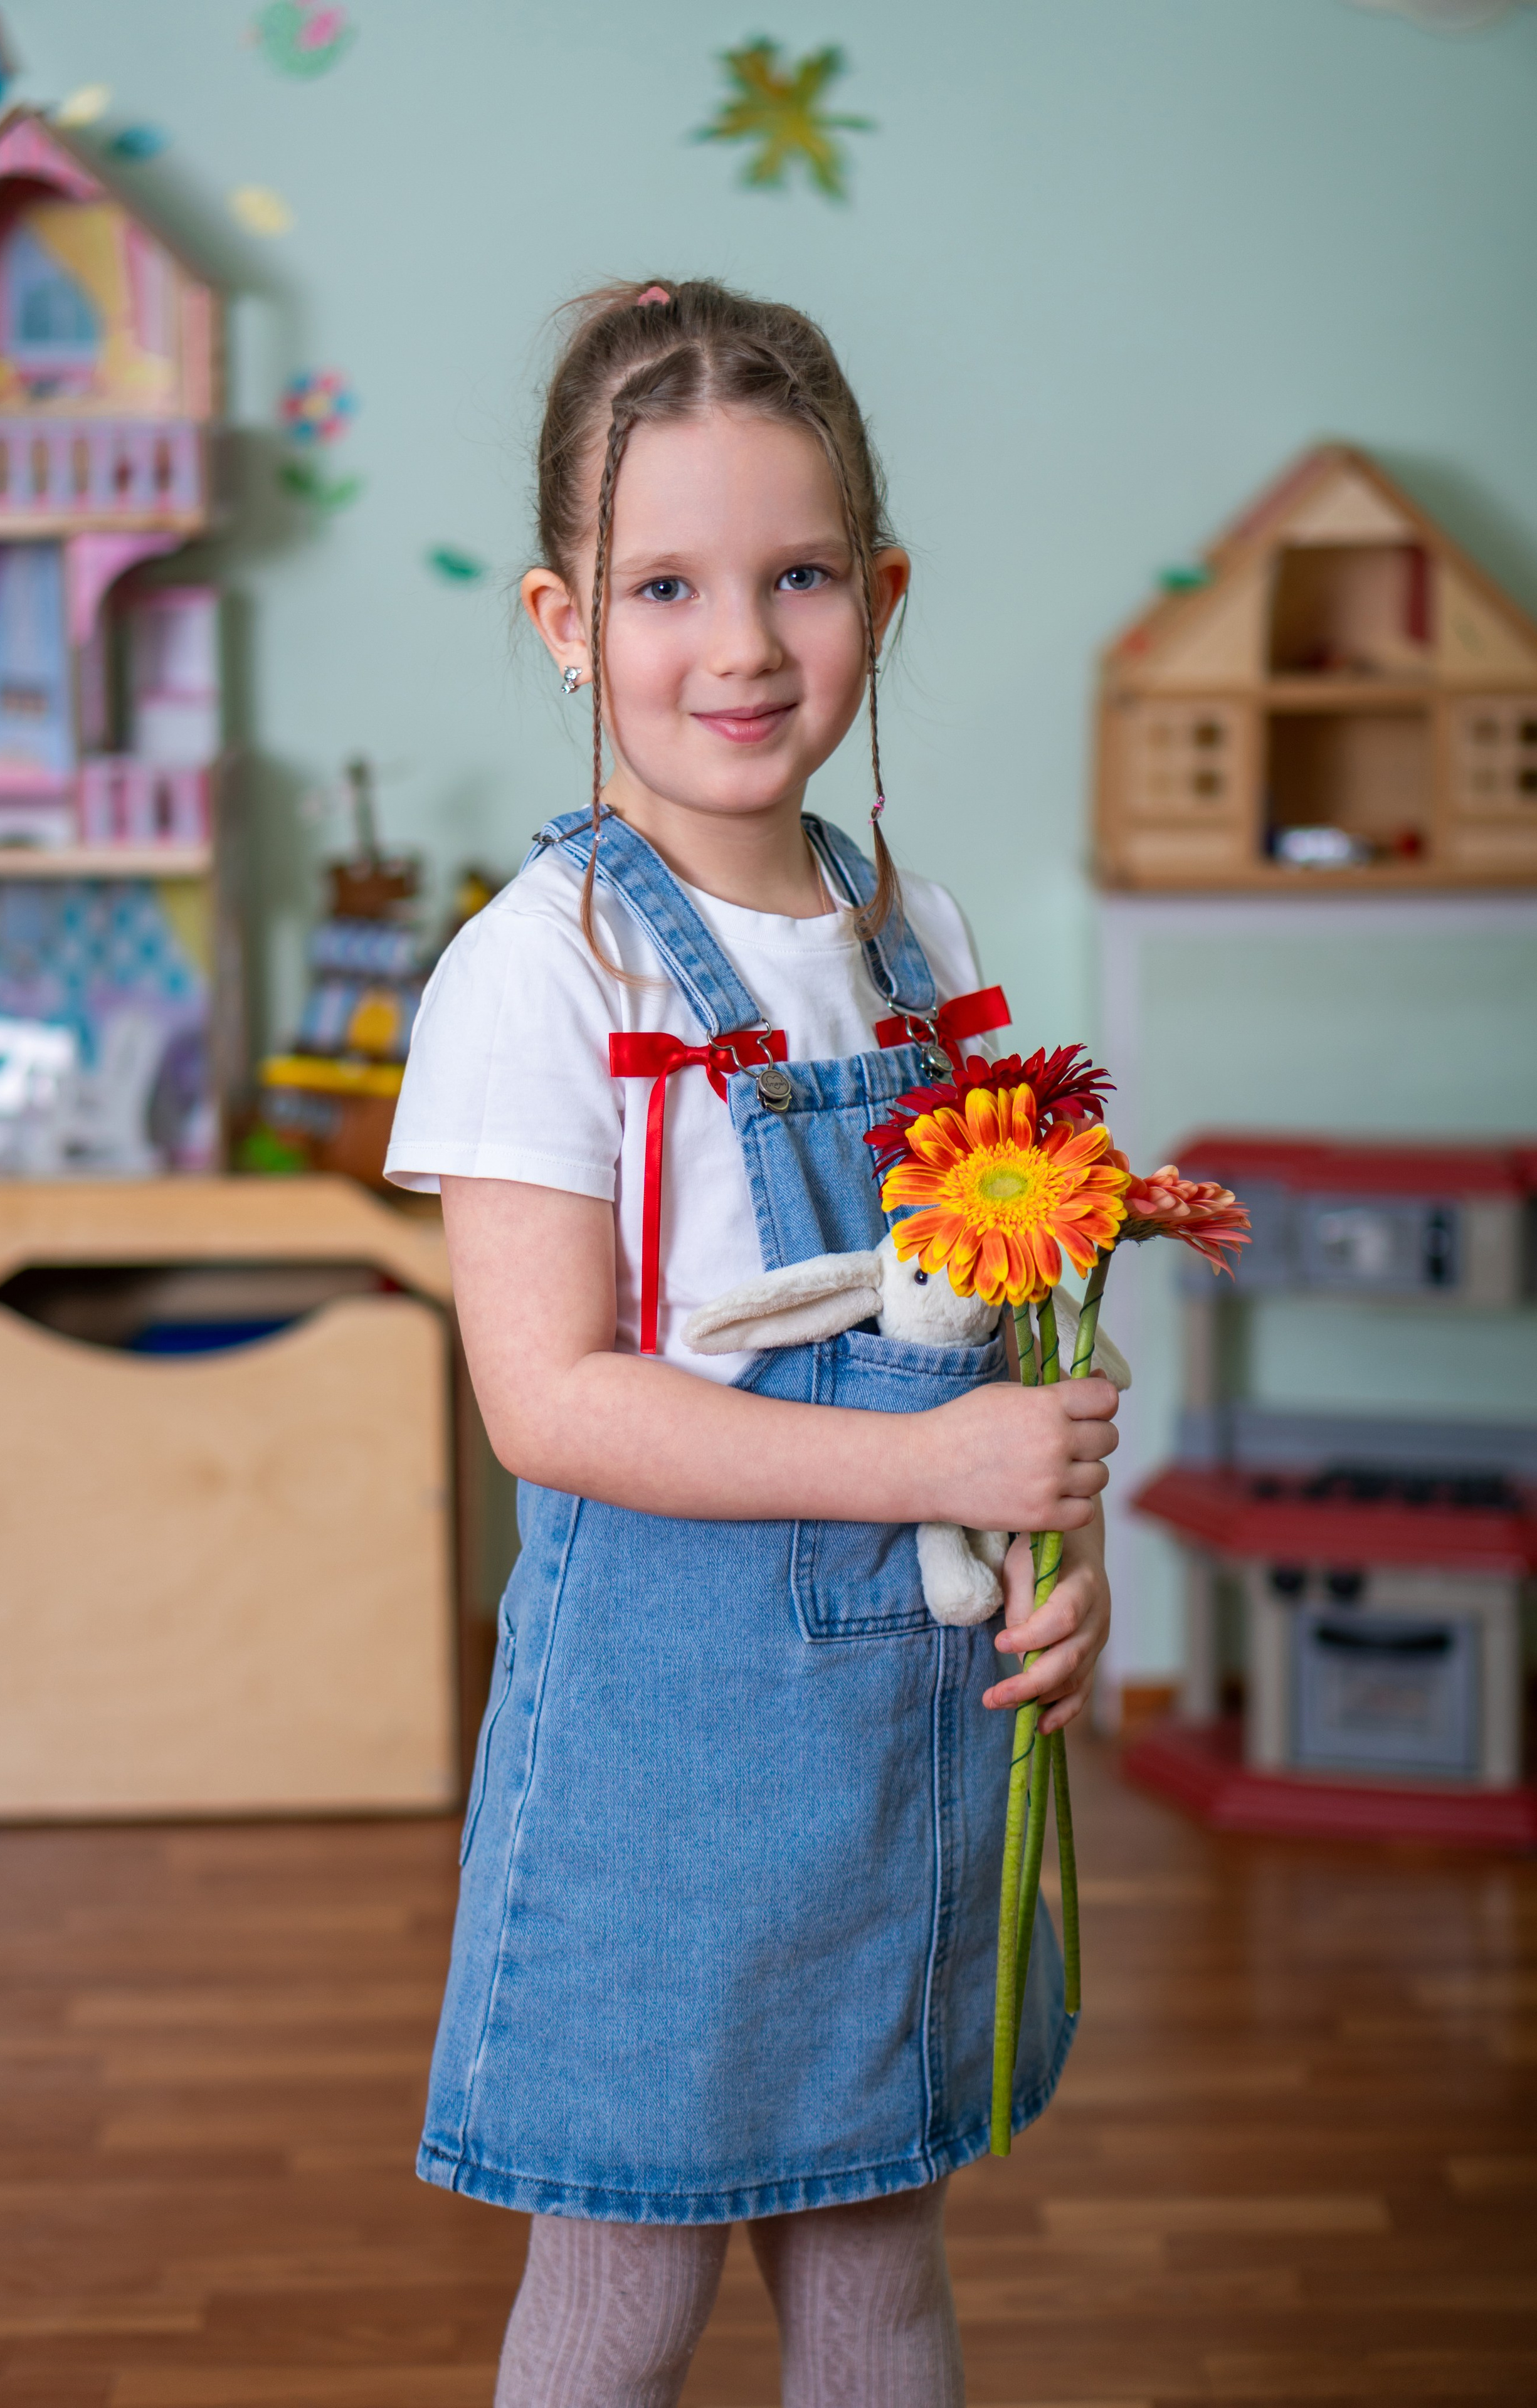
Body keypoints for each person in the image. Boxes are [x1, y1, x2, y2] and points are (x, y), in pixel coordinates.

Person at [386, 277, 1119, 2408]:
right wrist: (935, 1471)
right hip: (665, 1751)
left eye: (799, 575)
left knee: (880, 2252)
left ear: (880, 593)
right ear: (559, 618)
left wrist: (1067, 1553)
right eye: (666, 585)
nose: (741, 645)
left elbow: (1024, 1311)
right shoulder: (533, 974)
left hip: (915, 1723)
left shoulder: (924, 942)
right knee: (621, 2289)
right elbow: (552, 1402)